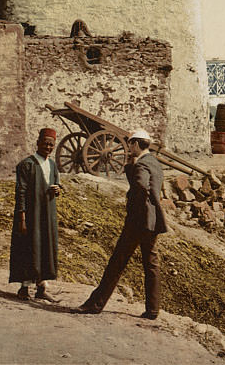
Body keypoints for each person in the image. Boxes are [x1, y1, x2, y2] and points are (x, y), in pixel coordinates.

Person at [76, 129, 167, 320]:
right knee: (151, 264)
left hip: (138, 221)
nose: (129, 147)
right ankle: (153, 309)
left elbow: (141, 186)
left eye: (130, 144)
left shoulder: (141, 165)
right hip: (152, 221)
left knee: (116, 263)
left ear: (135, 144)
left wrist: (135, 204)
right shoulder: (155, 163)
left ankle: (95, 304)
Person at [9, 129, 62, 302]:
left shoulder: (52, 165)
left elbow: (56, 184)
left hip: (47, 213)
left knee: (45, 247)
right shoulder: (27, 165)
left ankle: (41, 286)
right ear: (38, 143)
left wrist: (58, 189)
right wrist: (22, 217)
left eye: (51, 145)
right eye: (45, 143)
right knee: (28, 247)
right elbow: (21, 192)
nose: (48, 147)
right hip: (31, 214)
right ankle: (24, 287)